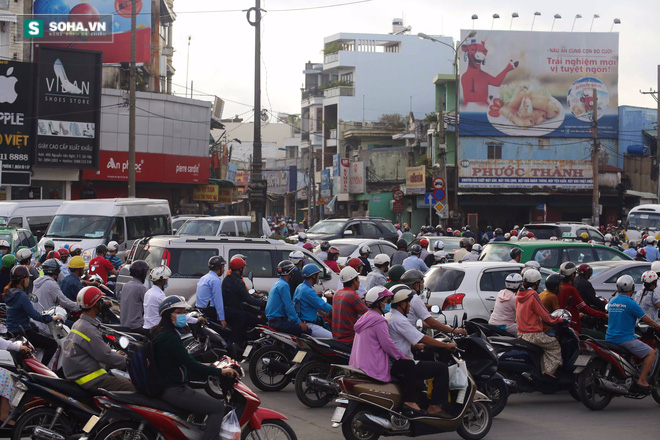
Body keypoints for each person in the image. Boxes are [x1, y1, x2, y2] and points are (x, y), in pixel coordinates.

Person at [153, 296, 238, 440]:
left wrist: (212, 366)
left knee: (202, 407)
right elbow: (191, 364)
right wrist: (219, 371)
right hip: (173, 389)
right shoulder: (170, 338)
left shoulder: (159, 331)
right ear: (169, 314)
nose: (183, 316)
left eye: (184, 312)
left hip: (167, 385)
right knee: (217, 408)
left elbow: (185, 362)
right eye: (180, 312)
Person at [386, 285, 454, 417]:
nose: (410, 307)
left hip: (395, 361)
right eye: (408, 304)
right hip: (403, 364)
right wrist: (446, 346)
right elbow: (423, 338)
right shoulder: (400, 320)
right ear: (402, 304)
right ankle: (434, 407)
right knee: (441, 369)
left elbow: (399, 341)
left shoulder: (389, 316)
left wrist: (417, 346)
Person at [62, 286, 134, 391]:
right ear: (96, 304)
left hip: (80, 374)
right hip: (91, 379)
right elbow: (105, 356)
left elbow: (97, 350)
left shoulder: (78, 324)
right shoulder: (88, 329)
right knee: (132, 390)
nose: (103, 303)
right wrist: (128, 362)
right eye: (100, 300)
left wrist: (114, 354)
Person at [607, 275, 660, 390]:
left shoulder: (612, 301)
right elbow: (646, 320)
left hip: (609, 338)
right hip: (624, 339)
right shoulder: (631, 303)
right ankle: (642, 380)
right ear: (632, 288)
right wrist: (658, 326)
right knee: (651, 353)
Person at [4, 265, 63, 366]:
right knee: (52, 344)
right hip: (23, 332)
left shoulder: (9, 293)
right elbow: (35, 315)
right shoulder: (21, 296)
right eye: (27, 277)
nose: (28, 280)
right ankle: (43, 370)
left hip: (11, 330)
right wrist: (51, 318)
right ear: (22, 279)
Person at [349, 286, 407, 386]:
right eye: (386, 301)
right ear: (379, 302)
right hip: (373, 366)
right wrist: (402, 357)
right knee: (409, 367)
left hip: (358, 364)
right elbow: (387, 344)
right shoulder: (379, 321)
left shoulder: (365, 317)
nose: (388, 304)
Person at [515, 269, 564, 377]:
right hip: (533, 334)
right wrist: (558, 320)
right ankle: (548, 372)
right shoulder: (533, 295)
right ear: (536, 282)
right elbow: (545, 315)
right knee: (554, 345)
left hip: (521, 332)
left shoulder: (519, 294)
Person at [400, 269, 468, 336]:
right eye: (422, 283)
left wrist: (442, 327)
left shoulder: (402, 296)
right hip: (411, 336)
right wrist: (454, 330)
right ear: (416, 285)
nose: (423, 286)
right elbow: (430, 321)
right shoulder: (415, 298)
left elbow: (414, 322)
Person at [557, 262, 607, 335]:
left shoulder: (558, 288)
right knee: (601, 336)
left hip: (560, 326)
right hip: (572, 328)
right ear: (572, 275)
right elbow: (585, 308)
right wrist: (603, 315)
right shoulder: (571, 290)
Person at [222, 257, 264, 343]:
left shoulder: (227, 279)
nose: (244, 270)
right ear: (240, 268)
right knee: (254, 319)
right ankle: (235, 342)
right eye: (244, 268)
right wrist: (263, 302)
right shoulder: (238, 282)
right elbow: (249, 299)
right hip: (234, 310)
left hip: (227, 308)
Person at [265, 260, 310, 336]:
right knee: (307, 331)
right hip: (278, 322)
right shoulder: (284, 285)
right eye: (292, 271)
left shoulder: (278, 283)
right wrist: (299, 322)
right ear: (289, 273)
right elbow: (289, 307)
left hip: (273, 321)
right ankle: (298, 348)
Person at [293, 264, 332, 338]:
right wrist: (335, 310)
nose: (318, 278)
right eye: (317, 275)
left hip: (302, 321)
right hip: (309, 325)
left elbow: (315, 305)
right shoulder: (308, 291)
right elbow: (323, 305)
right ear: (313, 276)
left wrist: (325, 315)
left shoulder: (300, 287)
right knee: (332, 338)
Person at [331, 267, 368, 343]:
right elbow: (368, 314)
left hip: (336, 336)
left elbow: (348, 313)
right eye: (358, 279)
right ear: (354, 281)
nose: (359, 282)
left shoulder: (337, 293)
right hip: (349, 338)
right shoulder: (352, 295)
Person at [119, 260, 150, 333]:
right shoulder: (140, 288)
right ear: (142, 273)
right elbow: (147, 306)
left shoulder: (126, 285)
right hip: (136, 326)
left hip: (124, 323)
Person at [196, 256, 227, 328]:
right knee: (240, 316)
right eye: (223, 267)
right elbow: (218, 300)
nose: (224, 269)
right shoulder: (215, 280)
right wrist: (222, 319)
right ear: (218, 267)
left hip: (201, 309)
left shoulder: (204, 278)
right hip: (210, 311)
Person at [143, 266, 174, 330]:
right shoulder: (159, 296)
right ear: (163, 280)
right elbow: (170, 311)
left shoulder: (148, 292)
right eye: (167, 279)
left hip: (148, 326)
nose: (168, 281)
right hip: (157, 329)